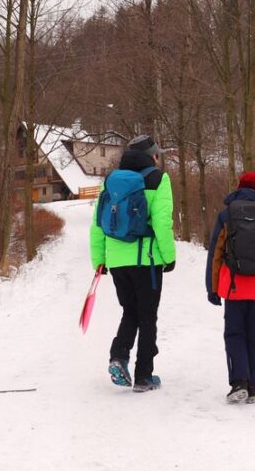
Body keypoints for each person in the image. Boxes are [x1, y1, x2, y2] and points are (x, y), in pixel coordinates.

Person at [90, 134, 176, 393]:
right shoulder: (159, 179)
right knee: (148, 317)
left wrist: (100, 260)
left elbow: (98, 224)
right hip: (146, 261)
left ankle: (119, 356)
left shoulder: (112, 180)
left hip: (117, 261)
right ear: (152, 156)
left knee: (130, 311)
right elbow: (162, 222)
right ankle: (144, 376)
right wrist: (169, 256)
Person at [205, 171, 255, 404]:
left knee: (234, 333)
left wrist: (212, 288)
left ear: (239, 187)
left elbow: (215, 254)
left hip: (233, 287)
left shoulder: (227, 215)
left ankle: (238, 381)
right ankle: (252, 387)